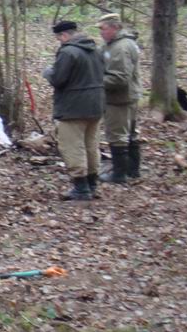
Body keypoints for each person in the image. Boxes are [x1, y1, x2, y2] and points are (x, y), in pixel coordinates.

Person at [43, 21, 105, 201]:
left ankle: (81, 187)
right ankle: (92, 184)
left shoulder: (68, 52)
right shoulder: (96, 50)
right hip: (96, 104)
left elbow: (58, 79)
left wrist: (48, 72)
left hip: (74, 107)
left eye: (58, 38)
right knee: (91, 144)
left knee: (72, 145)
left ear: (64, 35)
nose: (59, 41)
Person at [96, 13, 141, 184]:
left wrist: (96, 81)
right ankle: (132, 169)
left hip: (120, 98)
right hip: (127, 96)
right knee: (129, 133)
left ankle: (120, 174)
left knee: (118, 135)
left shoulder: (120, 48)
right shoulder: (114, 45)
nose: (101, 32)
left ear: (115, 27)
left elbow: (120, 78)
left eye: (103, 28)